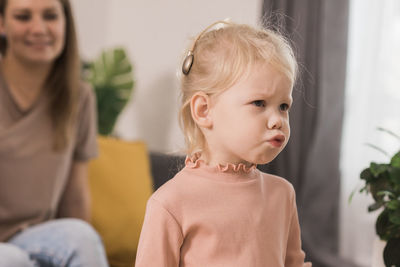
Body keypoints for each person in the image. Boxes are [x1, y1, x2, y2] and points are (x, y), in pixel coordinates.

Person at [135, 20, 312, 267]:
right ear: (204, 110)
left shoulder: (282, 195)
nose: (277, 120)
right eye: (259, 103)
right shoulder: (170, 204)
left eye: (284, 106)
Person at [0, 0, 109, 266]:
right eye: (23, 17)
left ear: (65, 25)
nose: (38, 28)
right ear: (1, 24)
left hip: (34, 236)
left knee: (81, 236)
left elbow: (75, 197)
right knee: (14, 260)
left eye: (50, 16)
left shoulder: (79, 97)